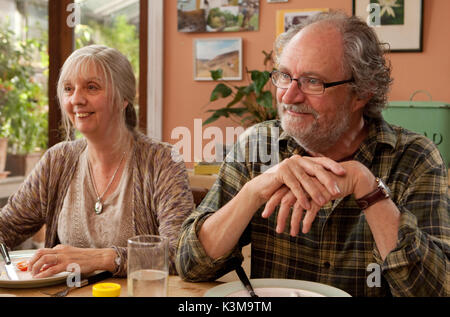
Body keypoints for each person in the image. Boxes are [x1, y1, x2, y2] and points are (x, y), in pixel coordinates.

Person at [176, 11, 449, 296]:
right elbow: (190, 264)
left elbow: (435, 290)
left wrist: (370, 190)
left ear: (361, 93)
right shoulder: (258, 145)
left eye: (312, 82)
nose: (288, 96)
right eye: (285, 76)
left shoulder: (415, 158)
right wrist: (253, 191)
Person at [0, 45, 194, 278]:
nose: (76, 100)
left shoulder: (162, 160)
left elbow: (181, 255)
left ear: (124, 99)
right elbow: (6, 227)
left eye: (92, 88)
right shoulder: (57, 160)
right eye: (68, 89)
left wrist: (102, 258)